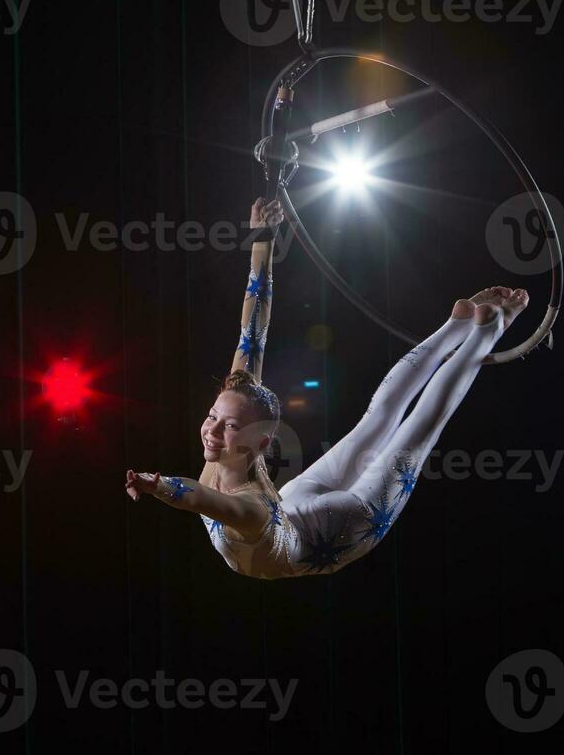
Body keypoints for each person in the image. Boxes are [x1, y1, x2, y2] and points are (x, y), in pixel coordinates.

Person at [125, 197, 527, 578]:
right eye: (214, 416)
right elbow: (252, 331)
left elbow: (197, 496)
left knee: (404, 427)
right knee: (395, 427)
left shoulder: (247, 505)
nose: (211, 430)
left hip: (305, 517)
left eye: (228, 426)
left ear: (261, 443)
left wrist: (156, 484)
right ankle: (460, 327)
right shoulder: (237, 465)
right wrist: (262, 242)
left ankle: (484, 330)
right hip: (343, 524)